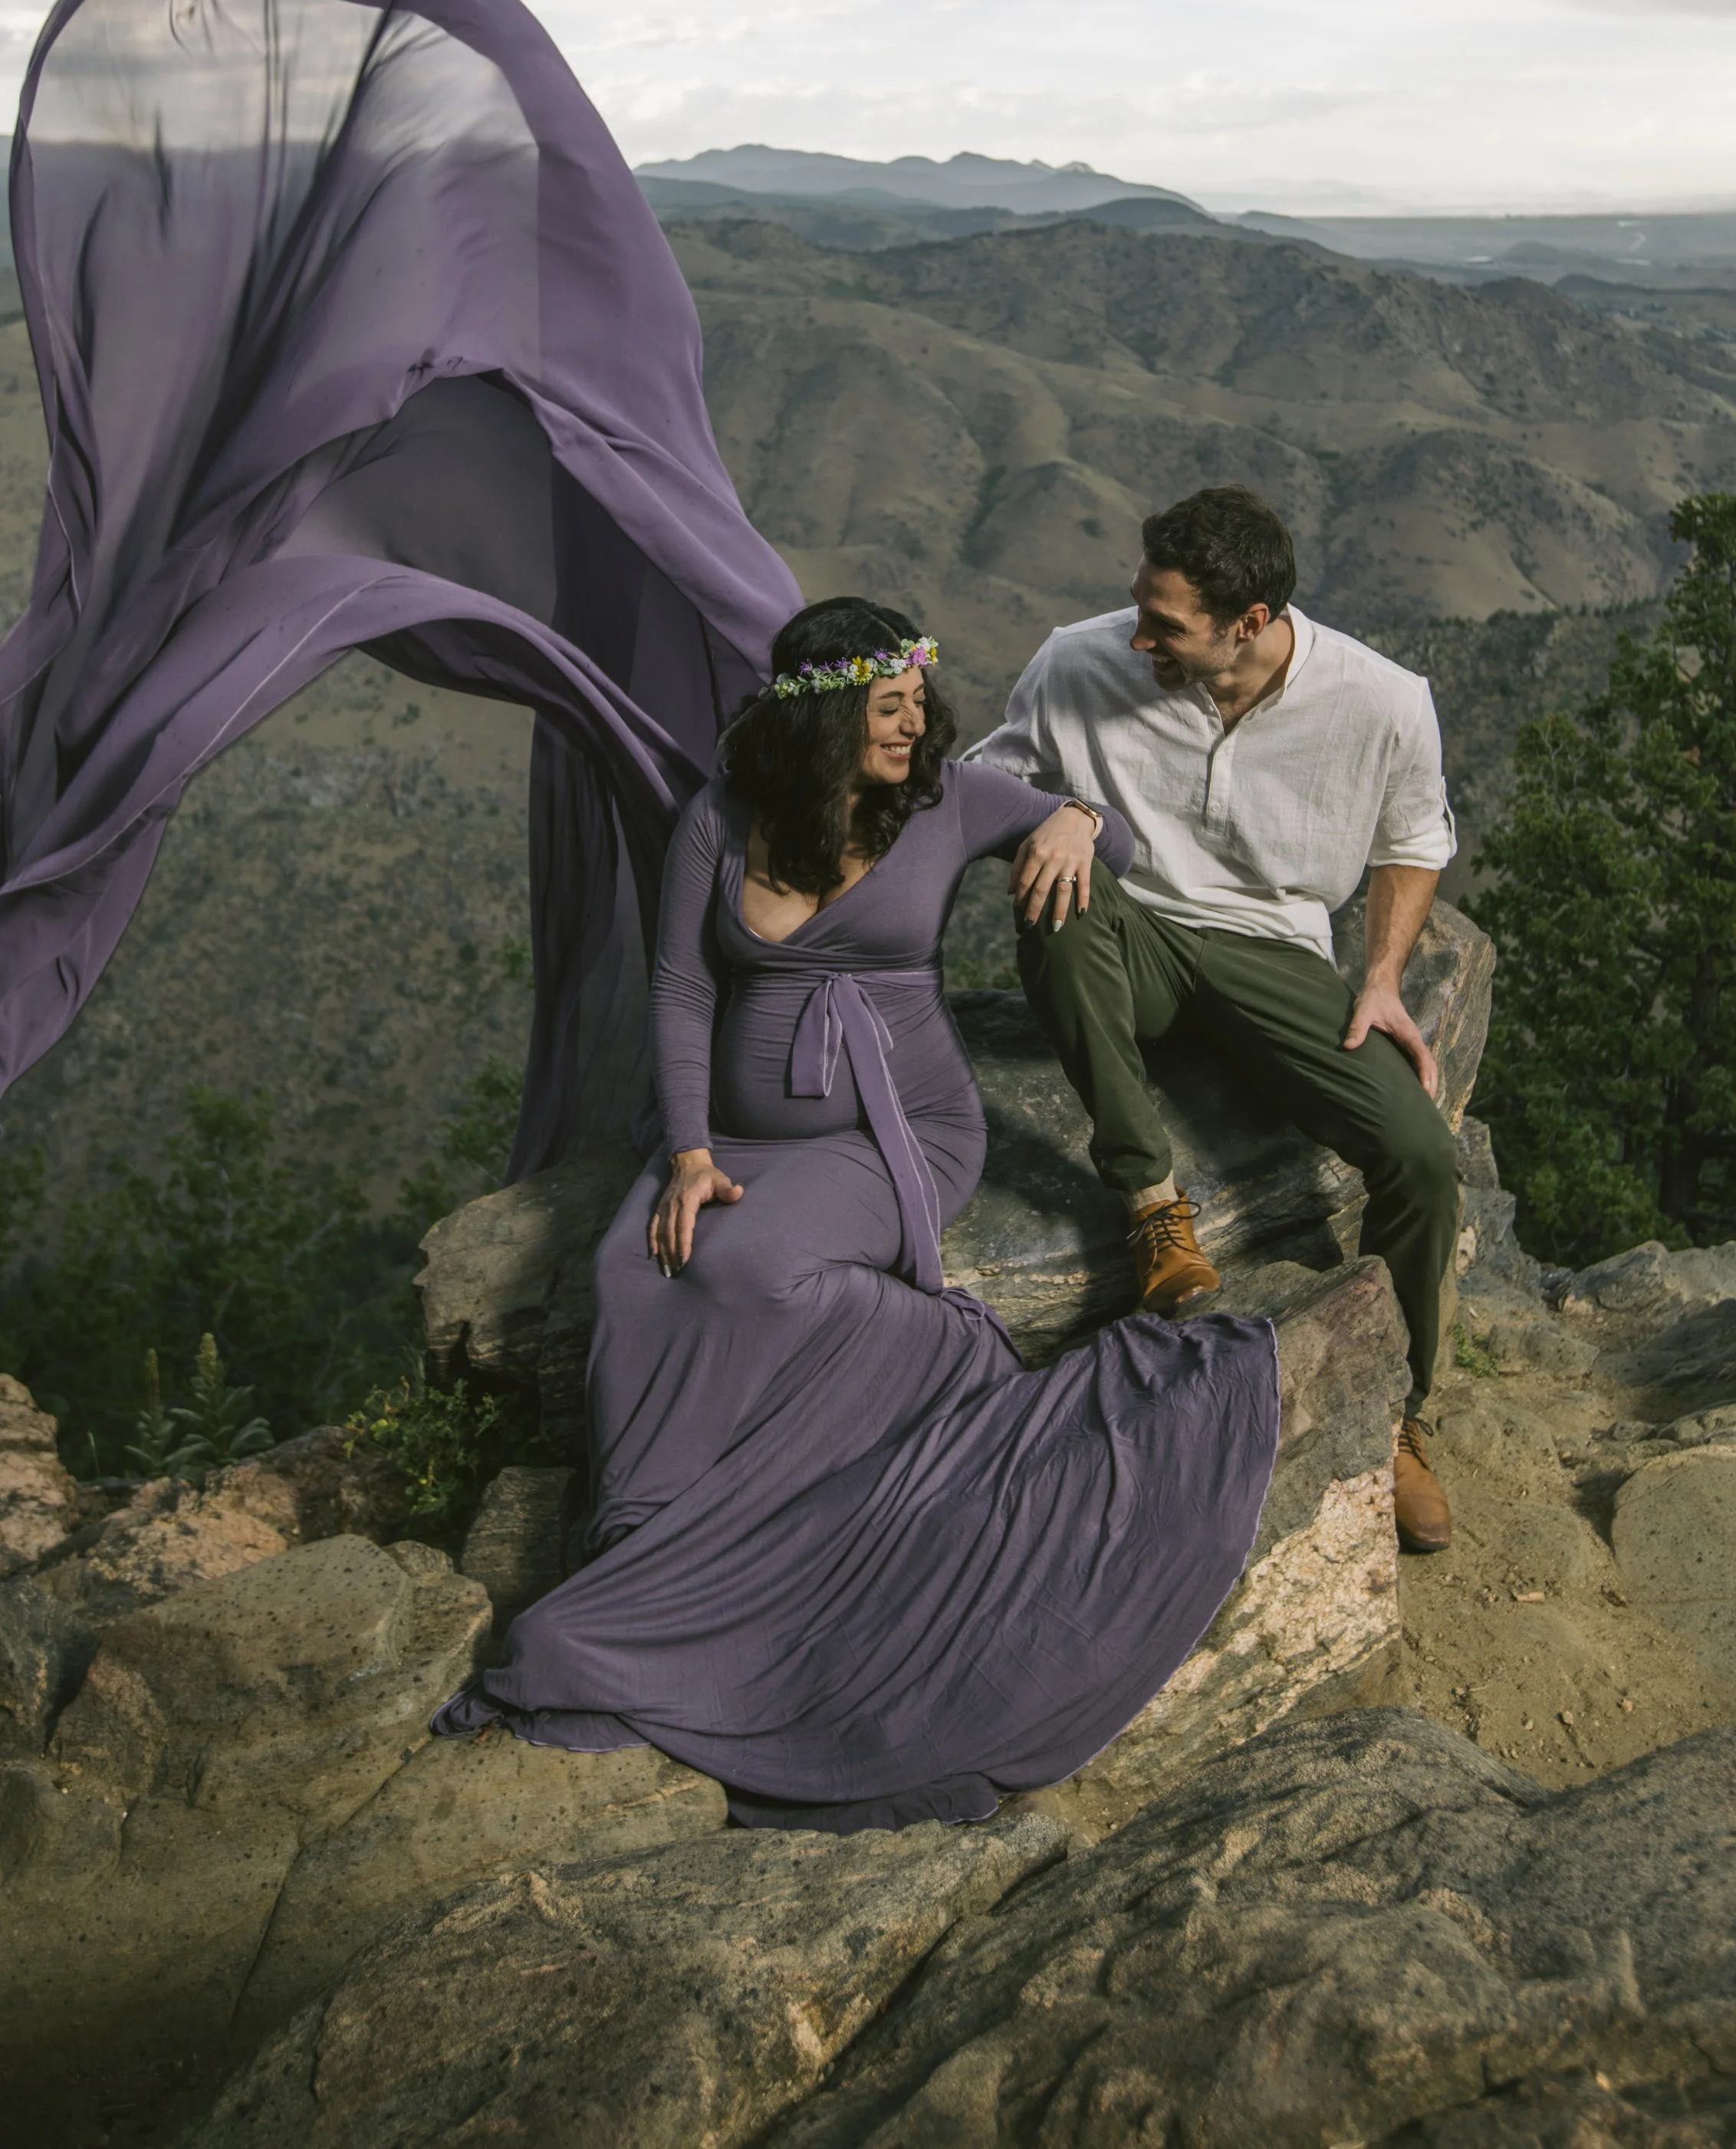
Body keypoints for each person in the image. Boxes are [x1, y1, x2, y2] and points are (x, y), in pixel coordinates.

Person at [434, 597, 1283, 1829]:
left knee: (750, 1275)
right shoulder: (721, 823)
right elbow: (679, 989)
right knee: (636, 1271)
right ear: (825, 720)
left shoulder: (943, 802)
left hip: (893, 1137)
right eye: (889, 711)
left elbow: (1109, 849)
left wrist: (1078, 823)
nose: (916, 728)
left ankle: (931, 1360)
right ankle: (646, 1536)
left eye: (917, 707)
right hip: (730, 1141)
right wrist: (683, 1154)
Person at [969, 487, 1460, 1554]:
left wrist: (1381, 977)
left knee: (1421, 1154)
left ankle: (1401, 1418)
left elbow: (1415, 840)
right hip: (1130, 932)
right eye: (1140, 605)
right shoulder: (1077, 660)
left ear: (1251, 621)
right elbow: (986, 787)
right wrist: (1062, 811)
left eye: (1168, 624)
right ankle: (1153, 1205)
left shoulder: (1382, 699)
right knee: (1060, 899)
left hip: (1272, 954)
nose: (1138, 633)